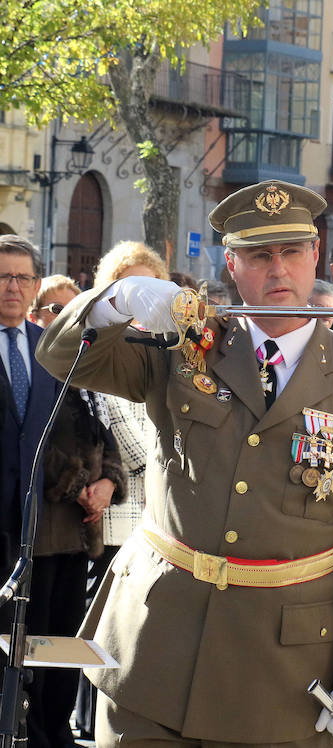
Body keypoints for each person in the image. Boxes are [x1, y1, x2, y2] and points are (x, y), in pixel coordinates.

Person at [37, 180, 333, 747]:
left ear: (315, 256)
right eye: (260, 255)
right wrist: (118, 301)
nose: (278, 270)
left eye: (291, 252)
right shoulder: (180, 349)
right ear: (233, 265)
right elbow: (60, 357)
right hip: (154, 652)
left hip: (283, 672)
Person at [75, 240, 171, 739]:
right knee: (106, 633)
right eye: (129, 287)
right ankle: (91, 719)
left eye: (149, 286)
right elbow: (130, 438)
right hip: (116, 517)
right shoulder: (101, 349)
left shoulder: (167, 347)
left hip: (155, 521)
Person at [26, 275, 126, 748]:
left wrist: (109, 482)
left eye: (74, 313)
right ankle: (36, 731)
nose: (64, 323)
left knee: (68, 641)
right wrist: (83, 485)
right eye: (54, 312)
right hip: (41, 531)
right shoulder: (37, 370)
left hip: (80, 532)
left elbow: (109, 440)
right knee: (35, 642)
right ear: (37, 316)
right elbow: (34, 447)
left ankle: (59, 729)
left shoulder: (85, 375)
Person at [0, 236, 64, 604]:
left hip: (36, 520)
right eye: (4, 276)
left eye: (23, 278)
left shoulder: (53, 346)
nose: (13, 286)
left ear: (37, 286)